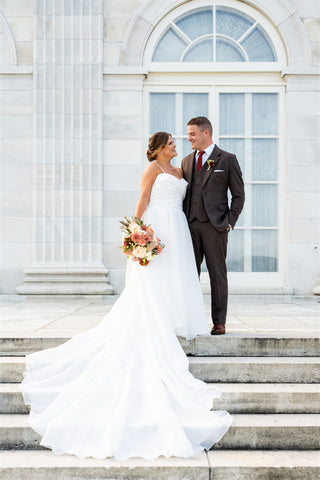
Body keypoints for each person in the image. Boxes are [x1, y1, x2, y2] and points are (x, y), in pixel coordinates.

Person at [20, 132, 232, 461]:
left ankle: (179, 318)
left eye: (179, 143)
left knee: (179, 275)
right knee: (156, 278)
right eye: (173, 144)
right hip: (158, 224)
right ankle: (160, 319)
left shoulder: (180, 171)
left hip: (179, 225)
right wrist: (137, 234)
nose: (178, 146)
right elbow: (143, 201)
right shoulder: (152, 170)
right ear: (161, 148)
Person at [182, 117, 245, 335]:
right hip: (190, 226)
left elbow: (238, 195)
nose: (188, 138)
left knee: (217, 274)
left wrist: (229, 222)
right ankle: (190, 319)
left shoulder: (227, 159)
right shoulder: (187, 161)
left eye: (192, 134)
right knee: (189, 275)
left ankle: (219, 322)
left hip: (215, 227)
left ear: (205, 133)